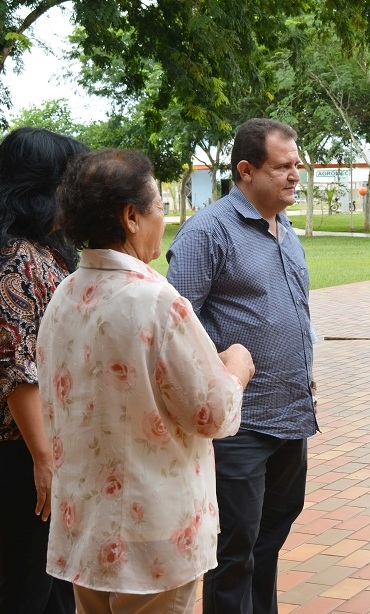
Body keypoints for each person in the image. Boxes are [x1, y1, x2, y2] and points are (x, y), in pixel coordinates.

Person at [37, 148, 254, 613]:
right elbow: (213, 413)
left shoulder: (65, 295)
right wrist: (236, 366)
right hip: (153, 529)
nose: (165, 216)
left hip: (86, 523)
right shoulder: (155, 300)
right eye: (158, 204)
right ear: (131, 217)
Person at [167, 118, 318, 614]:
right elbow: (178, 325)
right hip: (240, 425)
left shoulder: (285, 228)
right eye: (283, 167)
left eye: (297, 164)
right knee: (235, 551)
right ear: (246, 170)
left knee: (267, 544)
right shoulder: (207, 232)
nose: (295, 175)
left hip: (291, 415)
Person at [0, 127, 87, 614]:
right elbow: (17, 370)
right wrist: (44, 461)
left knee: (55, 588)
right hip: (22, 453)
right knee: (28, 587)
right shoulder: (15, 259)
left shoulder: (45, 251)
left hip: (46, 449)